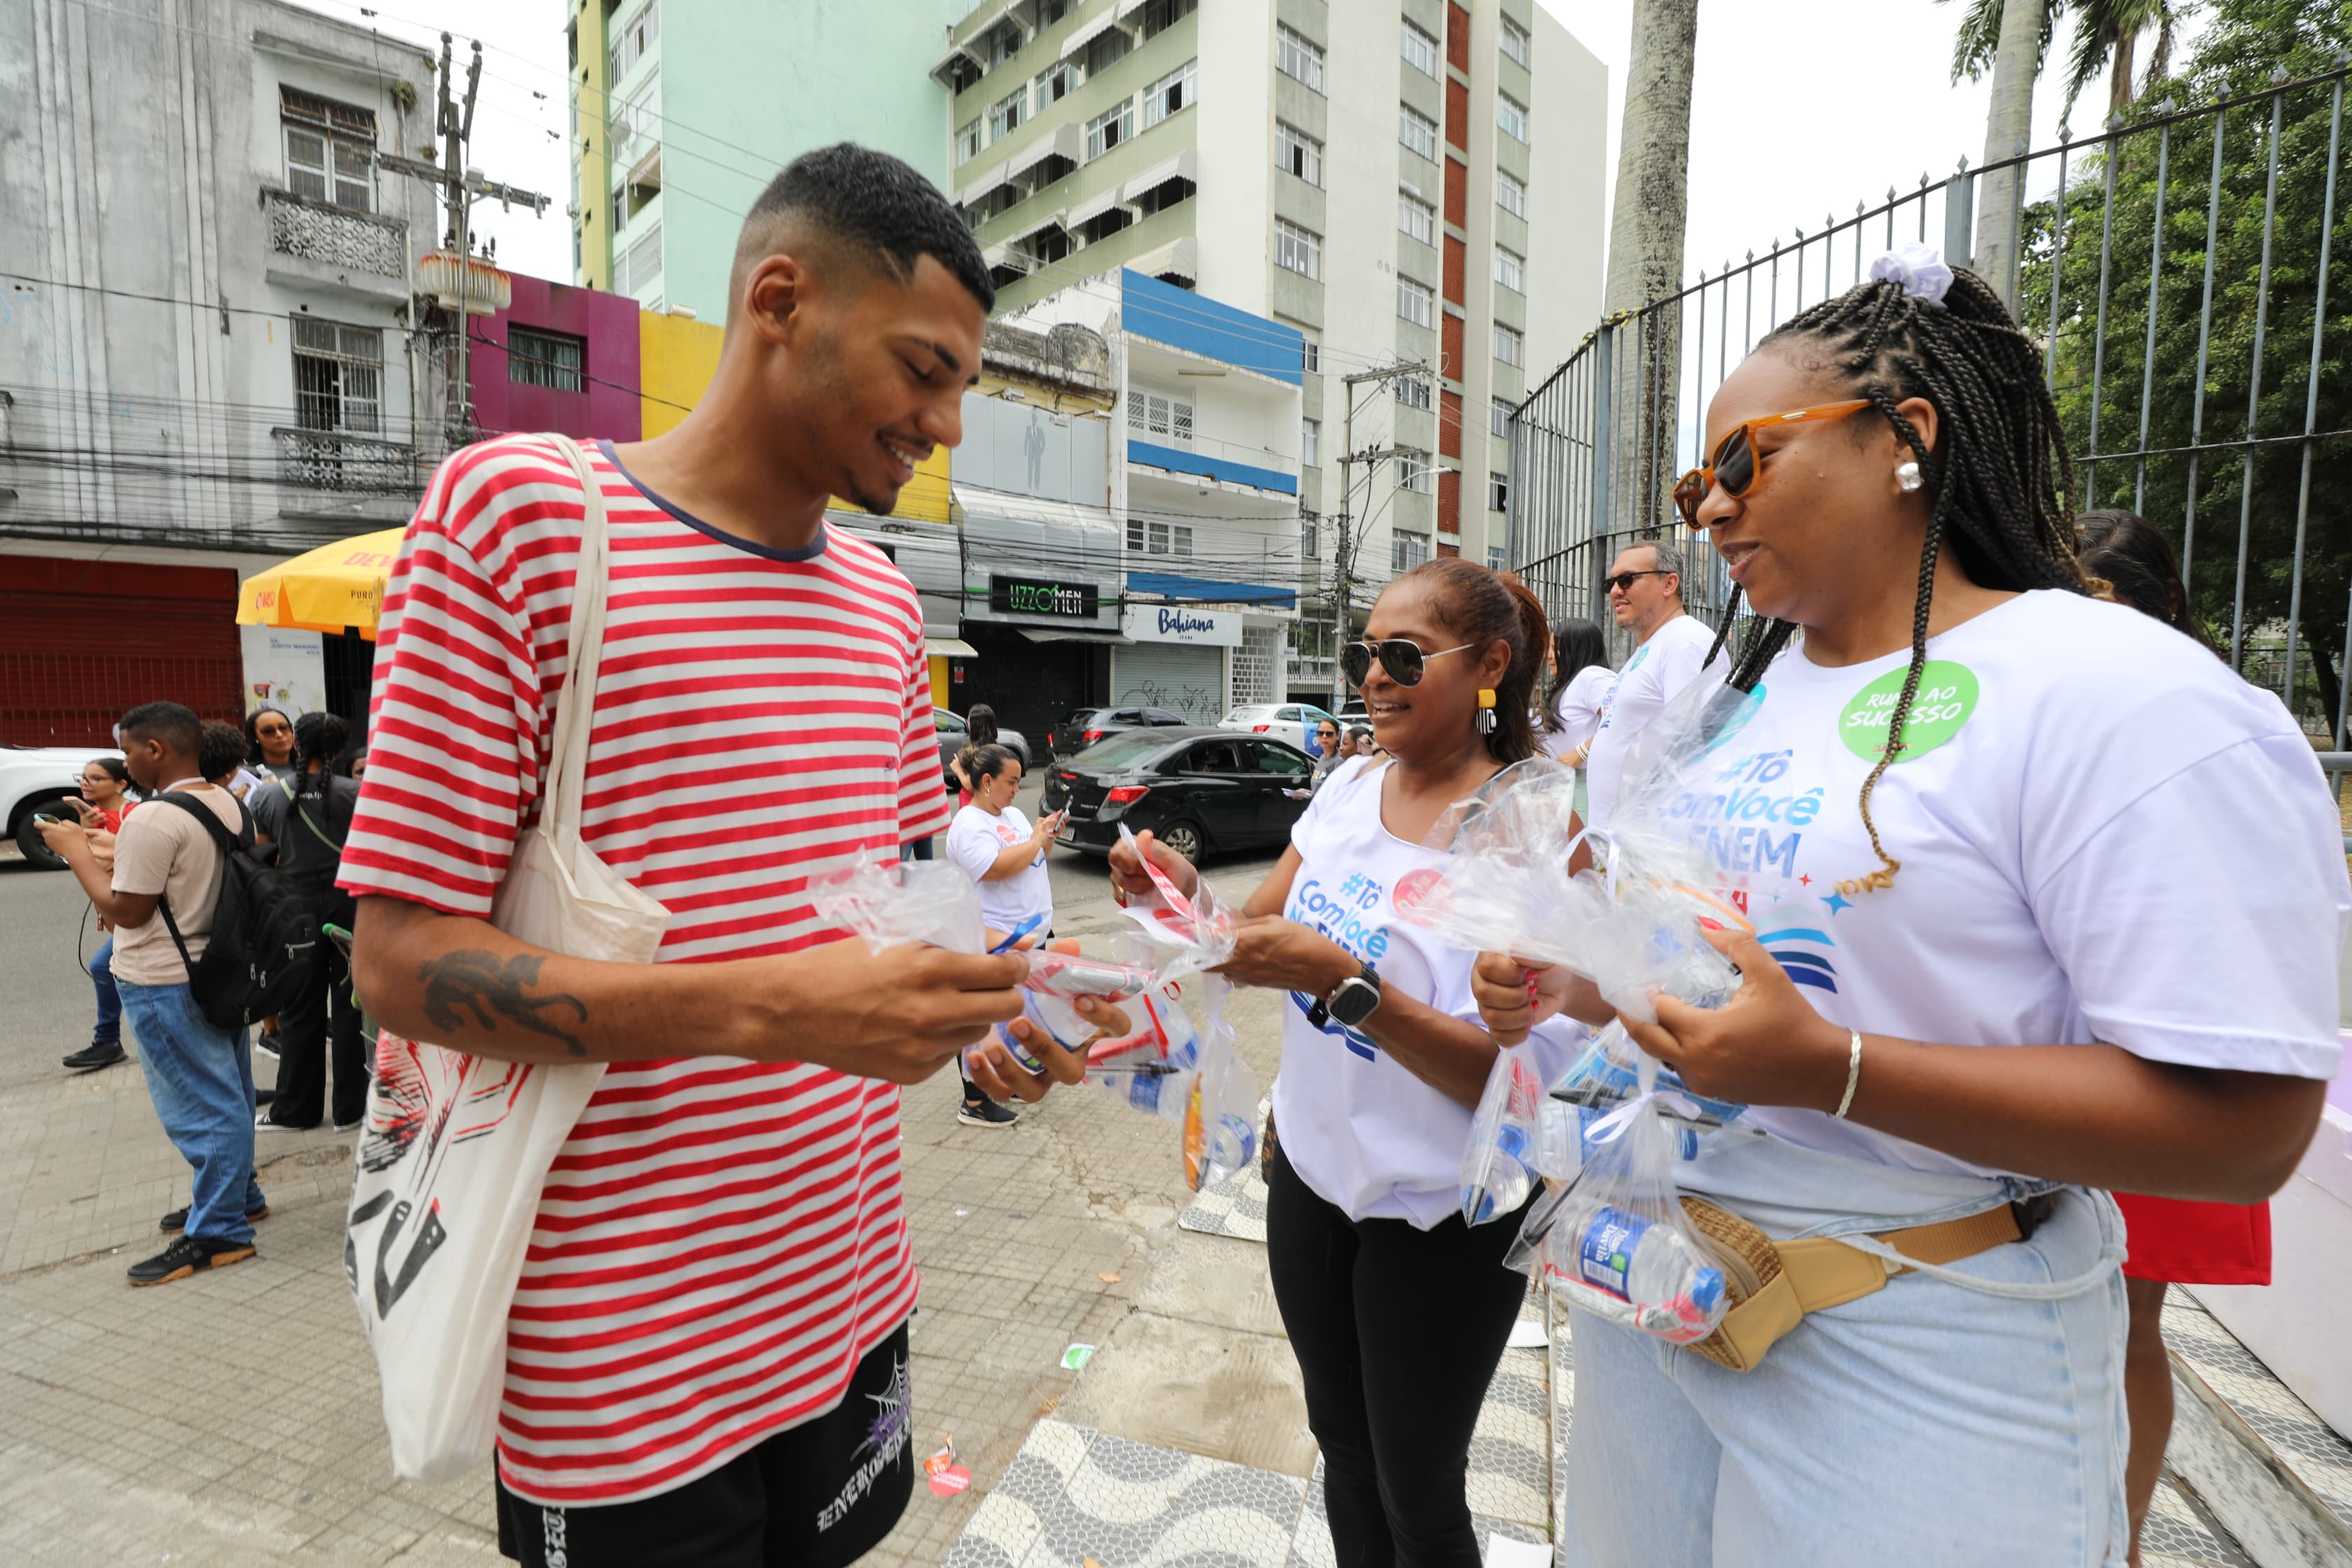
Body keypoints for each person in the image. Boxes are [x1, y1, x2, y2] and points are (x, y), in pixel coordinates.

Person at [1471, 255, 2344, 1567]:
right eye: (1691, 485)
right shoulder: (1750, 702)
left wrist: (1837, 1075)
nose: (1709, 507)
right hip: (1673, 1283)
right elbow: (1733, 963)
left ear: (1906, 440)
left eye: (1743, 461)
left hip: (1924, 1326)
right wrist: (1588, 980)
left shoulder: (2125, 699)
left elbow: (2248, 1132)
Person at [340, 144, 1116, 1567]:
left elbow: (894, 903)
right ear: (781, 300)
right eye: (923, 370)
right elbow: (395, 962)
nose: (944, 423)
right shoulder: (521, 519)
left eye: (962, 389)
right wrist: (768, 1004)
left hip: (846, 1296)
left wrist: (998, 1014)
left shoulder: (885, 604)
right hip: (618, 1356)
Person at [1110, 558, 1589, 1567]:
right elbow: (1243, 934)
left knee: (1420, 1492)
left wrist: (1348, 985)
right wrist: (1175, 892)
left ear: (1490, 665)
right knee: (1341, 1448)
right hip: (1312, 1181)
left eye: (1404, 656)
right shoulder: (1348, 785)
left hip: (1444, 1217)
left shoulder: (1536, 831)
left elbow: (1522, 1090)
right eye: (1365, 654)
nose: (1375, 676)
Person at [2077, 507, 2274, 1567]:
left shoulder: (2210, 717)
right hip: (2047, 1053)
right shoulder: (2046, 712)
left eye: (2097, 600)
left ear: (2161, 609)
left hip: (2153, 1052)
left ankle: (2128, 1535)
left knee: (2129, 1322)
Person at [40, 703, 270, 1285]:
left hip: (163, 980)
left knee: (202, 1107)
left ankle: (220, 1231)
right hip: (216, 971)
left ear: (155, 751)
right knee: (232, 1092)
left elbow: (128, 912)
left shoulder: (150, 817)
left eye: (128, 750)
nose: (124, 761)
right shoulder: (229, 801)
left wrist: (72, 852)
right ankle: (239, 1196)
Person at [943, 744, 1065, 1130]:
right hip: (992, 939)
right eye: (1011, 782)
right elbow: (996, 869)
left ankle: (1001, 1080)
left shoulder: (1011, 814)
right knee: (983, 1018)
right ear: (986, 781)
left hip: (1028, 937)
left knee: (1016, 1014)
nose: (1017, 789)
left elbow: (1034, 858)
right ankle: (974, 1101)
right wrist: (1033, 841)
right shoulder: (968, 823)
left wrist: (1047, 836)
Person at [256, 711, 367, 1134]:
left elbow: (265, 860)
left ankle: (295, 1113)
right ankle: (351, 1111)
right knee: (351, 1006)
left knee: (299, 1011)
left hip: (295, 911)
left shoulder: (267, 797)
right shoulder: (358, 793)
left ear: (297, 745)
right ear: (339, 750)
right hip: (350, 908)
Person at [1576, 540, 1723, 832]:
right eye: (1612, 583)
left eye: (1627, 579)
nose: (1616, 591)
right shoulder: (1651, 648)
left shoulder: (1685, 642)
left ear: (1669, 584)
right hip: (1617, 847)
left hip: (1647, 848)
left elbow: (1693, 751)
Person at [62, 757, 139, 1072]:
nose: (87, 782)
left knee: (104, 967)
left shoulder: (133, 815)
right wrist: (83, 831)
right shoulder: (89, 818)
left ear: (121, 783)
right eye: (84, 777)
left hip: (137, 906)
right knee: (105, 968)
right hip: (111, 906)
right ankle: (108, 1041)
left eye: (97, 778)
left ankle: (108, 1042)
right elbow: (80, 865)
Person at [1539, 617, 1613, 762]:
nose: (1548, 656)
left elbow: (1622, 721)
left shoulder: (1593, 678)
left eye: (1556, 649)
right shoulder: (1568, 686)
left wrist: (1582, 752)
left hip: (1585, 779)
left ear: (1575, 651)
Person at [946, 703, 1001, 810]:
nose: (968, 724)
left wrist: (958, 770)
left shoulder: (975, 753)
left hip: (974, 805)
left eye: (968, 721)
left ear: (975, 725)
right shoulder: (998, 751)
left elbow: (973, 786)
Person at [244, 706, 298, 785]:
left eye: (283, 727)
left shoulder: (312, 769)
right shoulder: (248, 776)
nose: (279, 735)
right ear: (255, 737)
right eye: (268, 731)